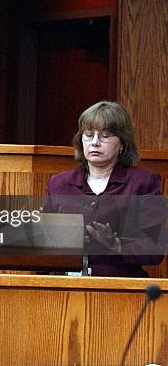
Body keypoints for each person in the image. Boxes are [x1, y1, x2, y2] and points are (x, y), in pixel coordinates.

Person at [45, 101, 165, 277]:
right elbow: (42, 248)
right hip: (66, 289)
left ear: (122, 144)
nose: (94, 142)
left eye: (105, 136)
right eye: (88, 135)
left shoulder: (143, 183)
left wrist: (116, 245)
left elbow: (154, 249)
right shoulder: (59, 183)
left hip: (118, 286)